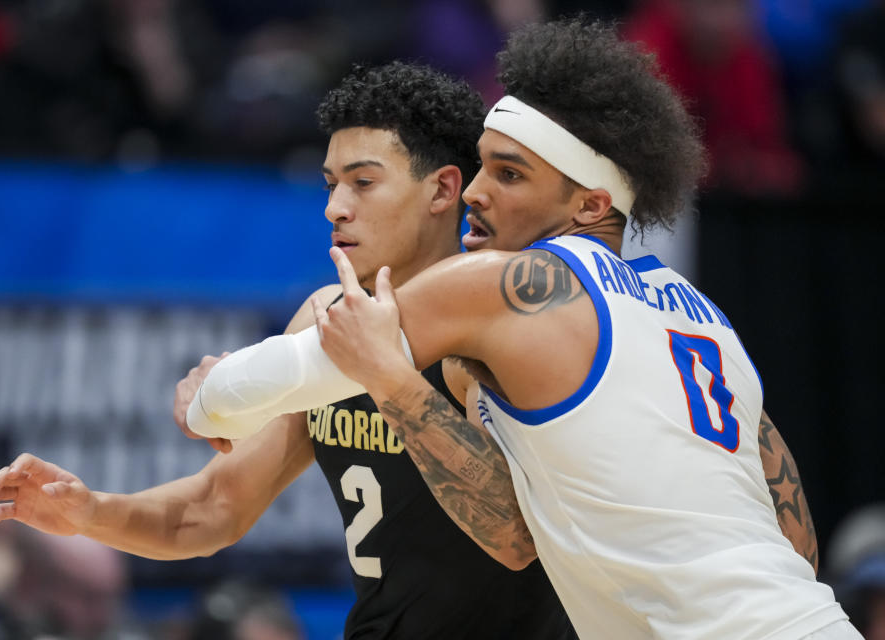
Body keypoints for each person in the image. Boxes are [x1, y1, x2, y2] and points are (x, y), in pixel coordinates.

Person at [184, 18, 858, 639]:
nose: (476, 192)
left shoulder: (511, 283)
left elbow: (295, 371)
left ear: (590, 204)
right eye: (482, 165)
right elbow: (795, 542)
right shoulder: (697, 314)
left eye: (508, 174)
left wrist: (211, 395)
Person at [0, 62, 575, 639]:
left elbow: (515, 539)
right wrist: (87, 512)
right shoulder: (323, 319)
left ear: (443, 189)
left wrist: (386, 379)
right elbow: (214, 508)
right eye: (331, 184)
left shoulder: (494, 334)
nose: (335, 206)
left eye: (363, 183)